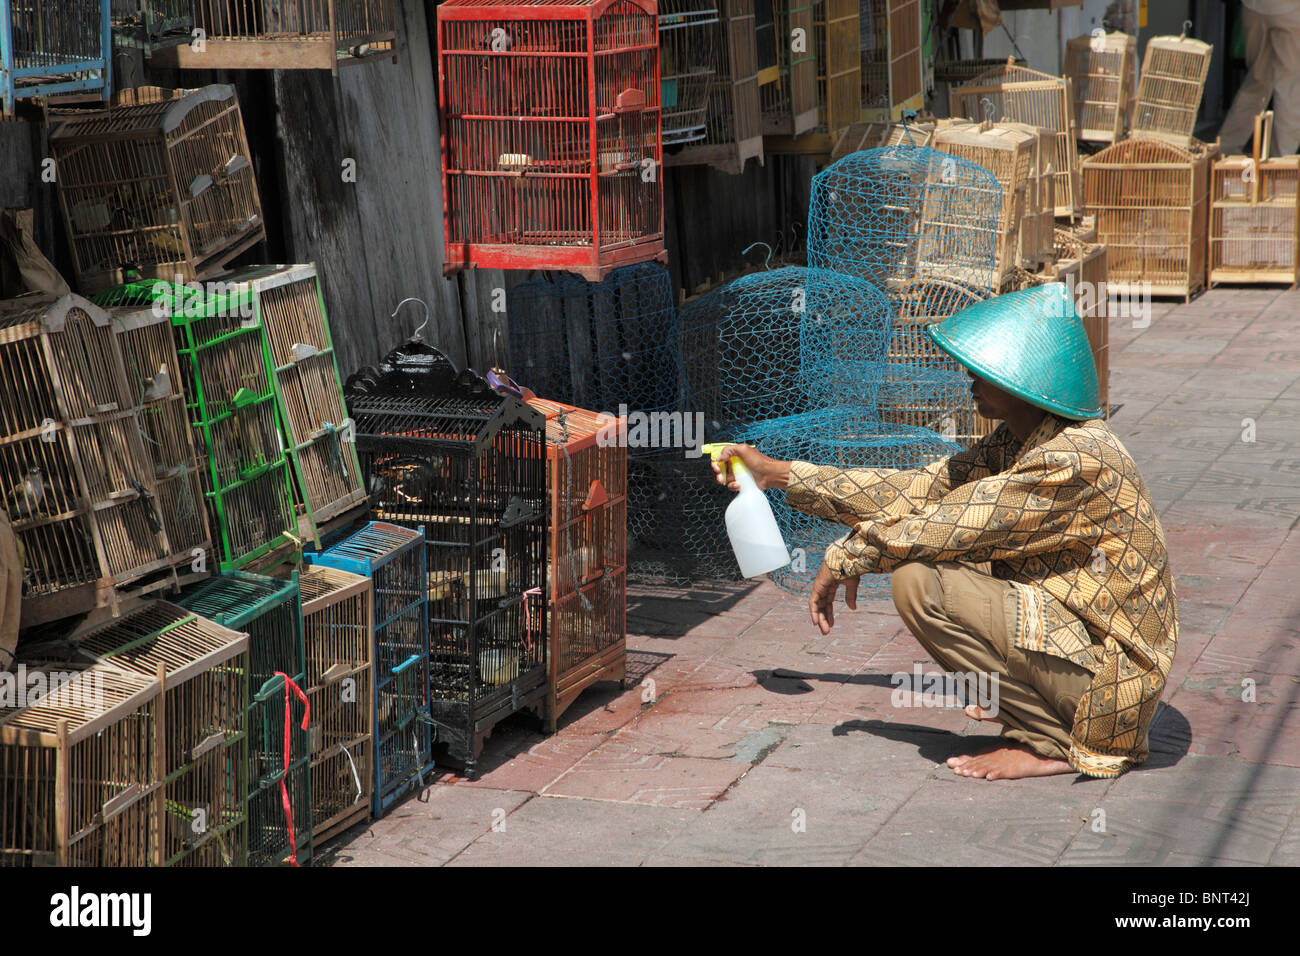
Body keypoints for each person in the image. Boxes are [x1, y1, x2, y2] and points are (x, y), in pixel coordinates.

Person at [710, 284, 1178, 781]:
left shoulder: (1071, 459)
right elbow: (919, 492)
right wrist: (777, 474)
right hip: (1083, 647)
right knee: (934, 561)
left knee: (921, 581)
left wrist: (851, 553)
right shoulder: (1020, 440)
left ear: (1023, 379)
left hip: (1112, 686)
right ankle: (1031, 715)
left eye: (982, 369)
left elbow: (952, 525)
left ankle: (1054, 742)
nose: (968, 377)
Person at [1218, 0, 1300, 156]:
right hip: (1292, 9)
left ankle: (1225, 150)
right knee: (1290, 87)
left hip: (1254, 7)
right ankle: (1280, 165)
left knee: (1257, 80)